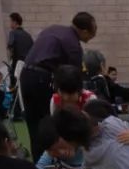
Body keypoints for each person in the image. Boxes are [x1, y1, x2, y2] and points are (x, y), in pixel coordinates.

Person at [20, 13, 98, 156]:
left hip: (25, 75)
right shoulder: (73, 44)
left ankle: (39, 164)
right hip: (43, 78)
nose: (91, 37)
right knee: (49, 123)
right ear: (85, 31)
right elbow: (74, 77)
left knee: (33, 124)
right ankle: (54, 159)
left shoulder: (53, 29)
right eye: (93, 33)